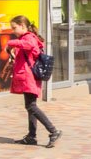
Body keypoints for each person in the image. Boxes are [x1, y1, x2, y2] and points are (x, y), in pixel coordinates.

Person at [7, 15, 61, 148]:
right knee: (30, 106)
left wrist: (10, 43)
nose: (13, 31)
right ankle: (31, 136)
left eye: (14, 28)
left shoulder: (29, 37)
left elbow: (29, 45)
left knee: (31, 106)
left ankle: (53, 131)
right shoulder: (24, 38)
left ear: (23, 26)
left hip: (29, 77)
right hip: (27, 77)